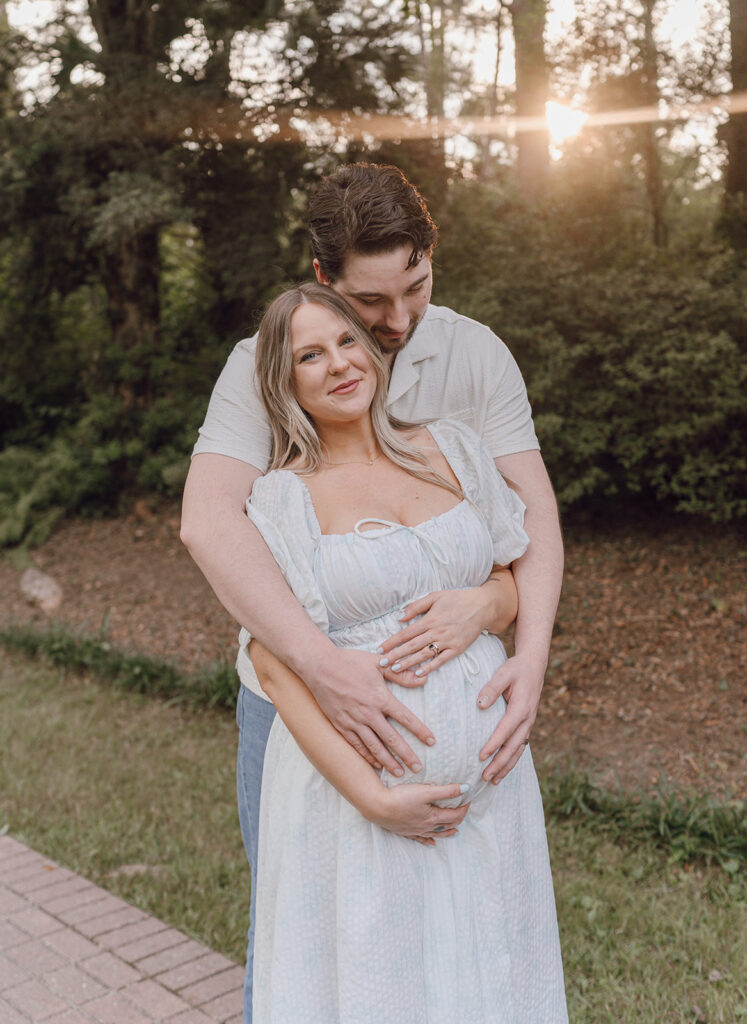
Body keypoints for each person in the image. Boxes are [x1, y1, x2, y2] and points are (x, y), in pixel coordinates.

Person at [180, 163, 564, 1020]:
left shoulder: (473, 358)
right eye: (366, 305)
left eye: (414, 288)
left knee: (488, 957)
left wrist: (516, 635)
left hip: (484, 778)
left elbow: (528, 522)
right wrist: (321, 666)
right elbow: (210, 523)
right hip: (306, 709)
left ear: (429, 255)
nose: (394, 324)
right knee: (307, 944)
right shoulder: (263, 368)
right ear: (322, 281)